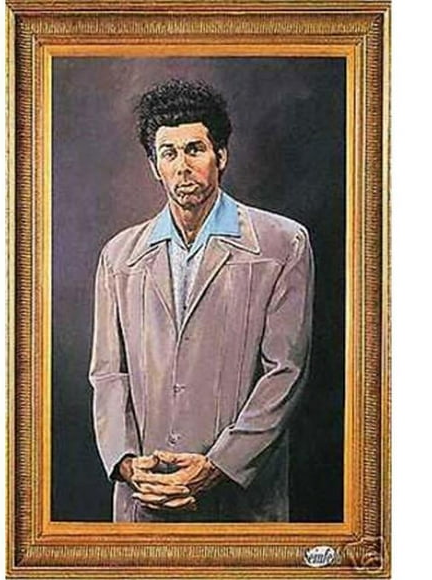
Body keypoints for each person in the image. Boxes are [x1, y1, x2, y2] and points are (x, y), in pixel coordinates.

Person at [88, 79, 314, 522]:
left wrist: (217, 466)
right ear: (154, 166)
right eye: (168, 153)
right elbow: (108, 374)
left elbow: (285, 373)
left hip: (242, 505)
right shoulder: (119, 256)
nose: (183, 167)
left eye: (195, 149)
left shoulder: (283, 243)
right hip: (145, 500)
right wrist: (128, 465)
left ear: (221, 156)